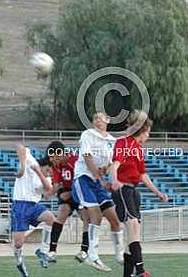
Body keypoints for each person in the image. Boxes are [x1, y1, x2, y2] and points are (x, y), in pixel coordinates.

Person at [109, 110, 168, 277]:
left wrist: (158, 192)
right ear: (141, 130)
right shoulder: (124, 143)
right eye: (148, 132)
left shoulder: (138, 149)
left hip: (134, 192)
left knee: (133, 236)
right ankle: (141, 271)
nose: (148, 135)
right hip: (124, 189)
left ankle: (128, 274)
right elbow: (114, 165)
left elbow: (142, 175)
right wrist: (114, 180)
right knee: (133, 227)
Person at [71, 112, 125, 272]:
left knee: (115, 220)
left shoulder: (112, 141)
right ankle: (92, 256)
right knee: (96, 215)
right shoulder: (88, 134)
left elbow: (110, 164)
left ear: (108, 120)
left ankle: (119, 255)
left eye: (100, 117)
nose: (97, 119)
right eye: (94, 117)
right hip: (84, 179)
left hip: (97, 182)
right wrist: (100, 178)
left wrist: (106, 170)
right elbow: (87, 158)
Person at [42, 140, 90, 264]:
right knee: (61, 214)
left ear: (61, 153)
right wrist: (49, 193)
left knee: (86, 218)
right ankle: (52, 251)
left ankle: (84, 251)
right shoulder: (57, 165)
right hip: (67, 191)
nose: (52, 160)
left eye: (53, 157)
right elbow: (57, 184)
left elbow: (83, 180)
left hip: (80, 190)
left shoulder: (75, 161)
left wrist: (71, 193)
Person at [11, 144, 56, 276]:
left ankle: (42, 250)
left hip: (34, 206)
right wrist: (23, 168)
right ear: (44, 164)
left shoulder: (45, 177)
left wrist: (38, 172)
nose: (49, 174)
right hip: (20, 205)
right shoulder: (31, 160)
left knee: (51, 218)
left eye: (50, 173)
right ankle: (19, 261)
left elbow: (48, 189)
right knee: (19, 243)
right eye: (48, 170)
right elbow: (19, 147)